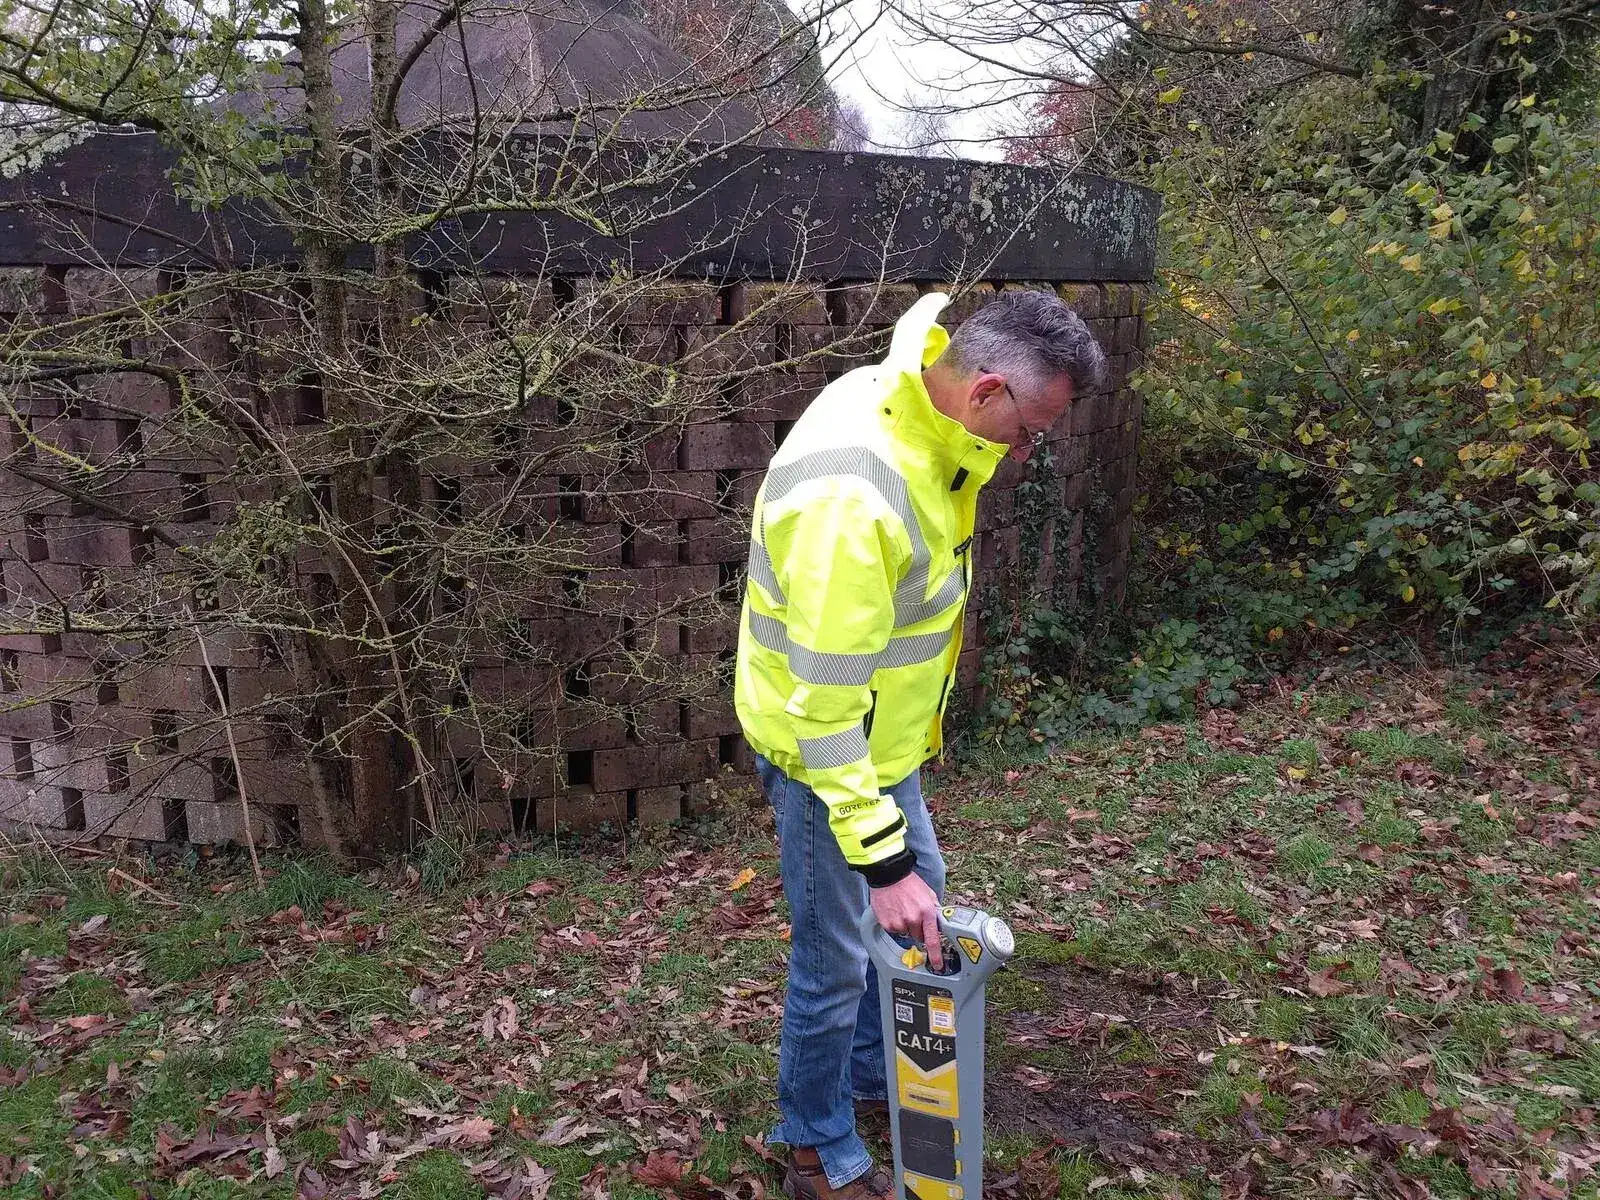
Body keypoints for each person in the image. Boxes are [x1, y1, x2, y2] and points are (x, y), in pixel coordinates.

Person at [733, 290, 1108, 1200]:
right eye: (1029, 434)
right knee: (837, 955)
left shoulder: (921, 413)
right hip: (824, 756)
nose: (1027, 454)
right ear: (985, 391)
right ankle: (812, 1141)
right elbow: (823, 713)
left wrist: (899, 869)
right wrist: (882, 860)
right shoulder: (852, 498)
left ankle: (873, 1076)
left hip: (880, 746)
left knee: (917, 905)